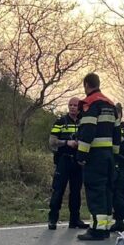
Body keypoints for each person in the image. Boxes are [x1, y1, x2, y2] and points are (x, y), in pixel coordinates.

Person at [75, 73, 119, 241]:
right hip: (108, 156)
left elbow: (87, 132)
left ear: (86, 84)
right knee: (107, 190)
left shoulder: (90, 104)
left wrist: (81, 155)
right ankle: (106, 226)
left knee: (95, 190)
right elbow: (116, 133)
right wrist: (114, 156)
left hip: (95, 156)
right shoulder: (110, 104)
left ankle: (97, 229)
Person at [47, 97, 89, 230]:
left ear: (79, 107)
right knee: (58, 190)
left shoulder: (84, 122)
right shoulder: (60, 122)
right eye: (70, 105)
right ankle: (53, 219)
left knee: (76, 192)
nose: (72, 107)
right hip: (63, 160)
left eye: (75, 105)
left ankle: (75, 220)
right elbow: (52, 141)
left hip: (78, 161)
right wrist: (66, 142)